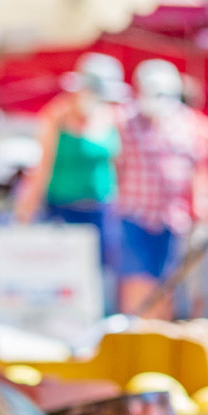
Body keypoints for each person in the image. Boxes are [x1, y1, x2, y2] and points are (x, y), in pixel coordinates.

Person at [17, 51, 127, 310]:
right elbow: (41, 166)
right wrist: (25, 209)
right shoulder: (56, 116)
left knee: (99, 279)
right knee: (61, 281)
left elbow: (119, 166)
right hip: (61, 211)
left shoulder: (112, 118)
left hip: (100, 211)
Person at [114, 58, 204, 315]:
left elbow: (196, 166)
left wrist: (201, 206)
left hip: (171, 220)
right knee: (137, 287)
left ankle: (158, 333)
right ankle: (136, 335)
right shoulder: (125, 121)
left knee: (166, 289)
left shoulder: (184, 122)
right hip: (135, 217)